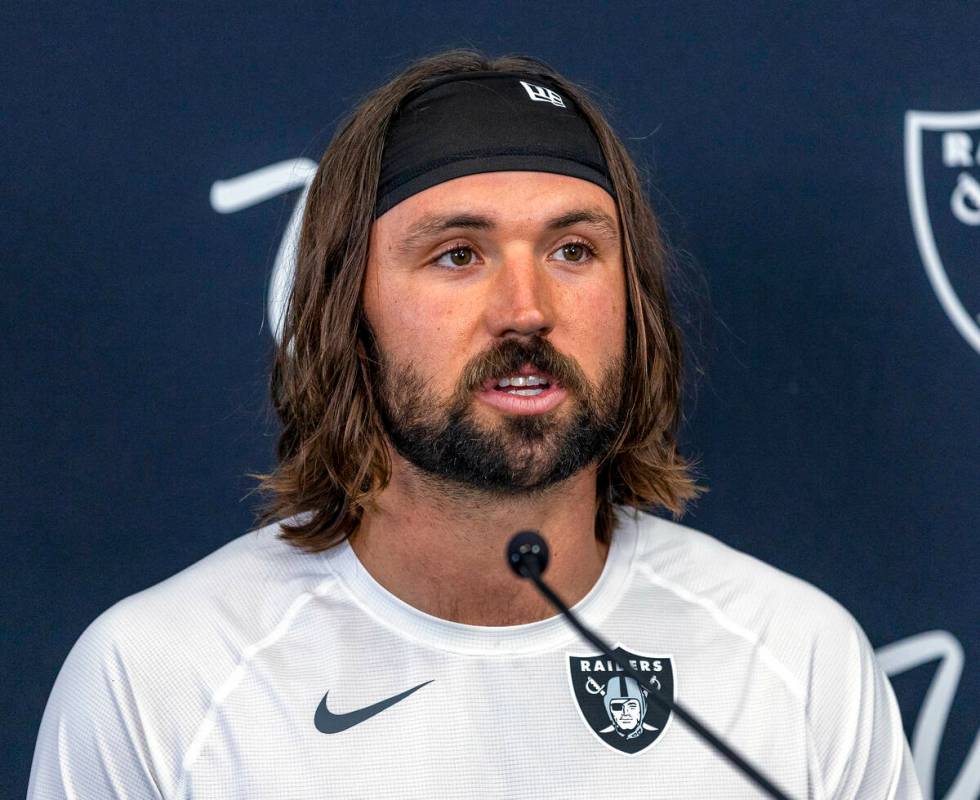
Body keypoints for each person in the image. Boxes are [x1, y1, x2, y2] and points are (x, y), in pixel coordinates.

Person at [28, 50, 921, 799]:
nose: (526, 310)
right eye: (458, 254)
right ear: (344, 312)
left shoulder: (800, 668)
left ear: (634, 303)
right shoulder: (157, 682)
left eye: (574, 250)